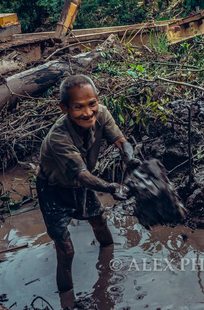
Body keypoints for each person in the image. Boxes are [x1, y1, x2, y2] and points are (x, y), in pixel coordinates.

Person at [36, 74, 135, 294]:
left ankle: (109, 267)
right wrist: (112, 187)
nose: (88, 112)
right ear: (64, 108)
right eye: (79, 107)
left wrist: (131, 159)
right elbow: (82, 175)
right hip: (53, 190)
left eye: (92, 104)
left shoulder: (102, 113)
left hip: (82, 184)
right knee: (66, 250)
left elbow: (121, 141)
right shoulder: (58, 137)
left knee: (99, 221)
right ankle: (67, 299)